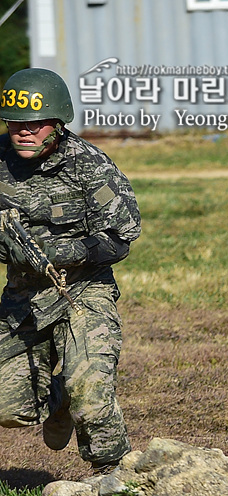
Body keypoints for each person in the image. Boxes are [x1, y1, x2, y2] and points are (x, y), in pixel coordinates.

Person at [0, 68, 141, 475]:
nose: (23, 132)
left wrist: (63, 251)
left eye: (34, 124)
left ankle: (113, 476)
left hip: (82, 293)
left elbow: (121, 236)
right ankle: (58, 396)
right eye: (14, 123)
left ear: (57, 123)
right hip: (22, 298)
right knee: (8, 409)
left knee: (92, 397)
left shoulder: (90, 167)